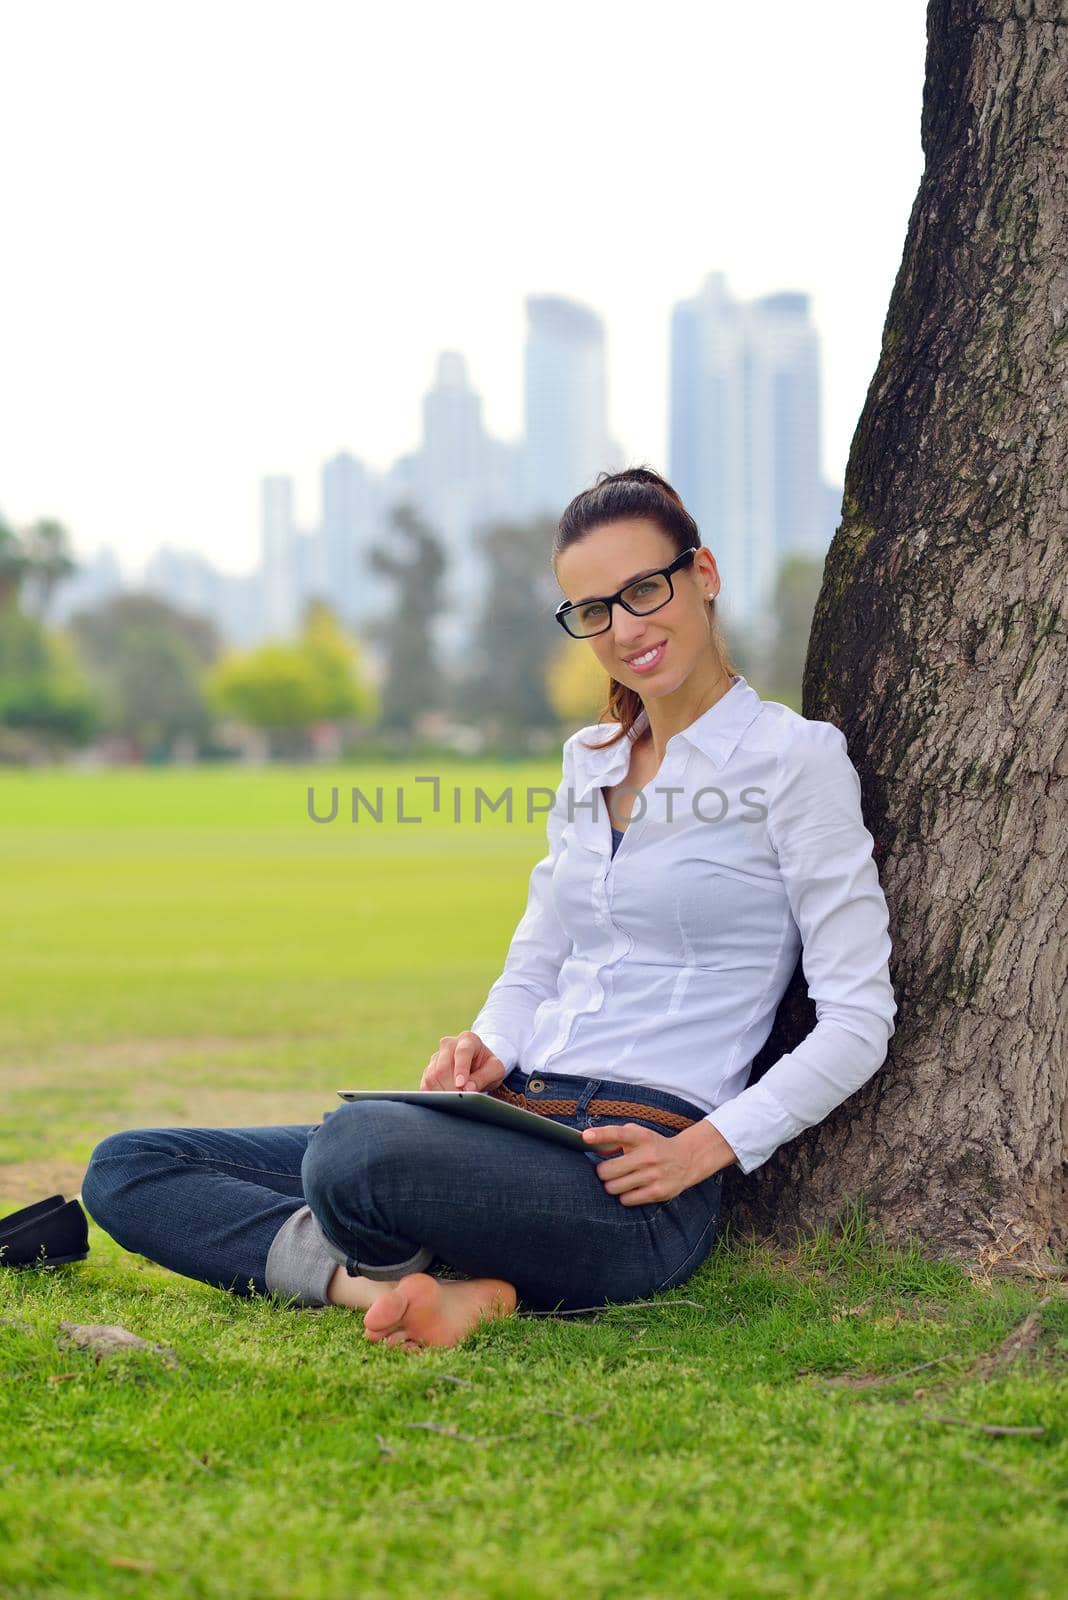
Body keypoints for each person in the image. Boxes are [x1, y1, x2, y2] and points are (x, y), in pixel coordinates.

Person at [80, 466, 897, 1354]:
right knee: (129, 1166)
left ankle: (428, 1266)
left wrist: (706, 1149)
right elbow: (539, 954)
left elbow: (859, 1016)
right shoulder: (591, 760)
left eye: (644, 589)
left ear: (701, 574)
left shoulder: (794, 760)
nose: (625, 628)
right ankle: (399, 1289)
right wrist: (489, 1044)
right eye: (594, 610)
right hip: (512, 1115)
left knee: (354, 1155)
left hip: (633, 1178)